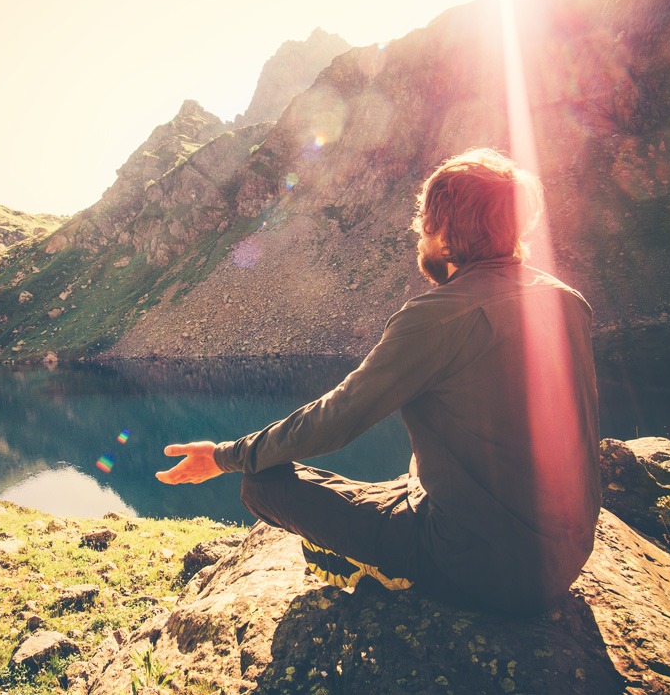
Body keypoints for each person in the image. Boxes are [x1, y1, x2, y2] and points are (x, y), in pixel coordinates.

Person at [156, 148, 600, 616]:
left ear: (442, 228)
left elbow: (335, 419)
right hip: (564, 558)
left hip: (477, 568)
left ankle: (386, 569)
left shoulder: (437, 317)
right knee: (412, 473)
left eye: (422, 220)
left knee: (261, 484)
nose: (418, 233)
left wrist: (226, 455)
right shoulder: (566, 300)